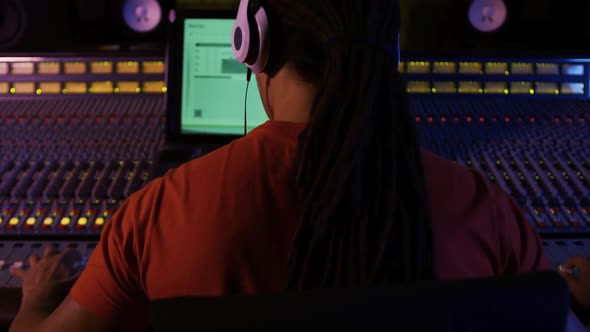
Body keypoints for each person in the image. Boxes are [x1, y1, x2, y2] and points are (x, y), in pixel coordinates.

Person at [7, 0, 560, 331]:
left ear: (254, 44)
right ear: (389, 54)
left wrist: (35, 296)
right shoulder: (488, 212)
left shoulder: (156, 214)